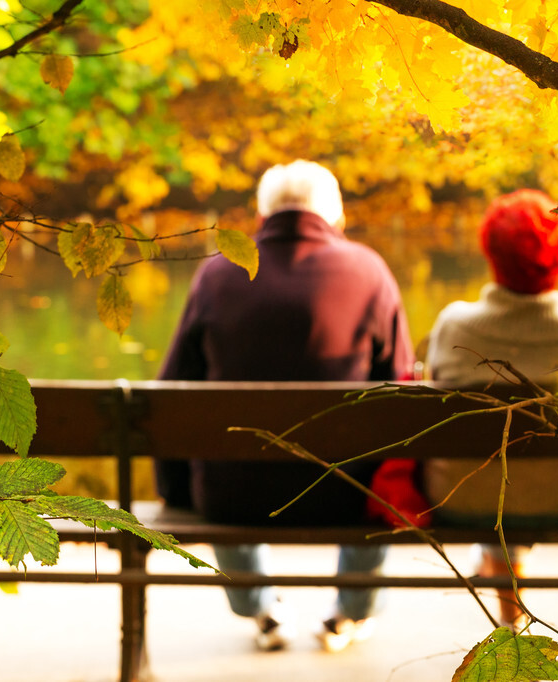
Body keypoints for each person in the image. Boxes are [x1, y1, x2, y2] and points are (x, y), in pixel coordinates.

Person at [157, 160, 415, 652]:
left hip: (233, 499)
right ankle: (351, 613)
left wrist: (176, 490)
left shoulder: (217, 274)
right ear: (336, 218)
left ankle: (261, 610)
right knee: (376, 461)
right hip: (346, 497)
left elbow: (171, 390)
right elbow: (400, 395)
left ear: (261, 216)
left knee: (222, 463)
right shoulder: (369, 271)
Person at [422, 188, 558, 626]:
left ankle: (509, 618)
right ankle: (509, 602)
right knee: (515, 470)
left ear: (490, 252)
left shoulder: (454, 324)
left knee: (495, 474)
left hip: (464, 499)